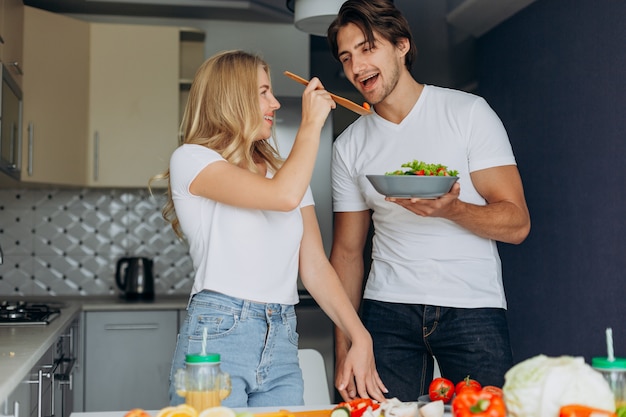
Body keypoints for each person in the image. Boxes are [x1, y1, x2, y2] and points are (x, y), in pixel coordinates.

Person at [151, 50, 387, 408]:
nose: (275, 103)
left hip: (281, 339)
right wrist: (311, 124)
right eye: (263, 92)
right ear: (232, 97)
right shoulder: (192, 159)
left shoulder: (287, 172)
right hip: (218, 336)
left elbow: (315, 267)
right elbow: (284, 196)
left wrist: (360, 336)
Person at [325, 0, 531, 402]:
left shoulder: (468, 113)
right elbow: (347, 253)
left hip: (471, 304)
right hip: (386, 309)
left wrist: (452, 209)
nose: (357, 66)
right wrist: (345, 346)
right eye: (347, 57)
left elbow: (518, 223)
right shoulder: (349, 145)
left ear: (401, 45)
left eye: (368, 48)